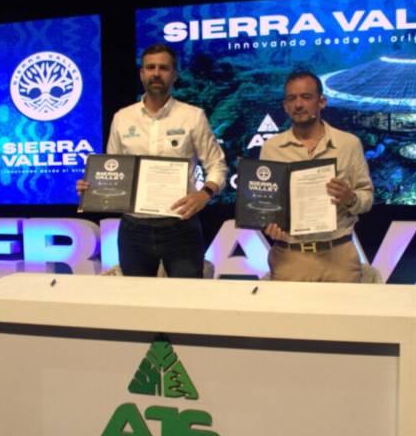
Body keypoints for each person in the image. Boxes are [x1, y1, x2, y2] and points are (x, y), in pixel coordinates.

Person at [77, 44, 227, 277]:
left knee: (188, 301)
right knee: (137, 303)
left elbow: (217, 165)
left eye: (163, 68)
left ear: (174, 74)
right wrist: (93, 188)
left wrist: (204, 193)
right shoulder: (122, 118)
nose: (156, 73)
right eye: (150, 67)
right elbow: (113, 170)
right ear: (142, 73)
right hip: (134, 230)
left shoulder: (193, 116)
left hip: (181, 227)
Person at [261, 71, 373, 282]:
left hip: (338, 256)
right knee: (290, 316)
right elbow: (266, 204)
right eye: (291, 99)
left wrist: (351, 198)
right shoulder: (271, 148)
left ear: (322, 101)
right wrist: (269, 224)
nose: (298, 105)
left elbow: (366, 198)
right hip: (290, 258)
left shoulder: (348, 144)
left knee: (343, 316)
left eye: (306, 97)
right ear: (285, 106)